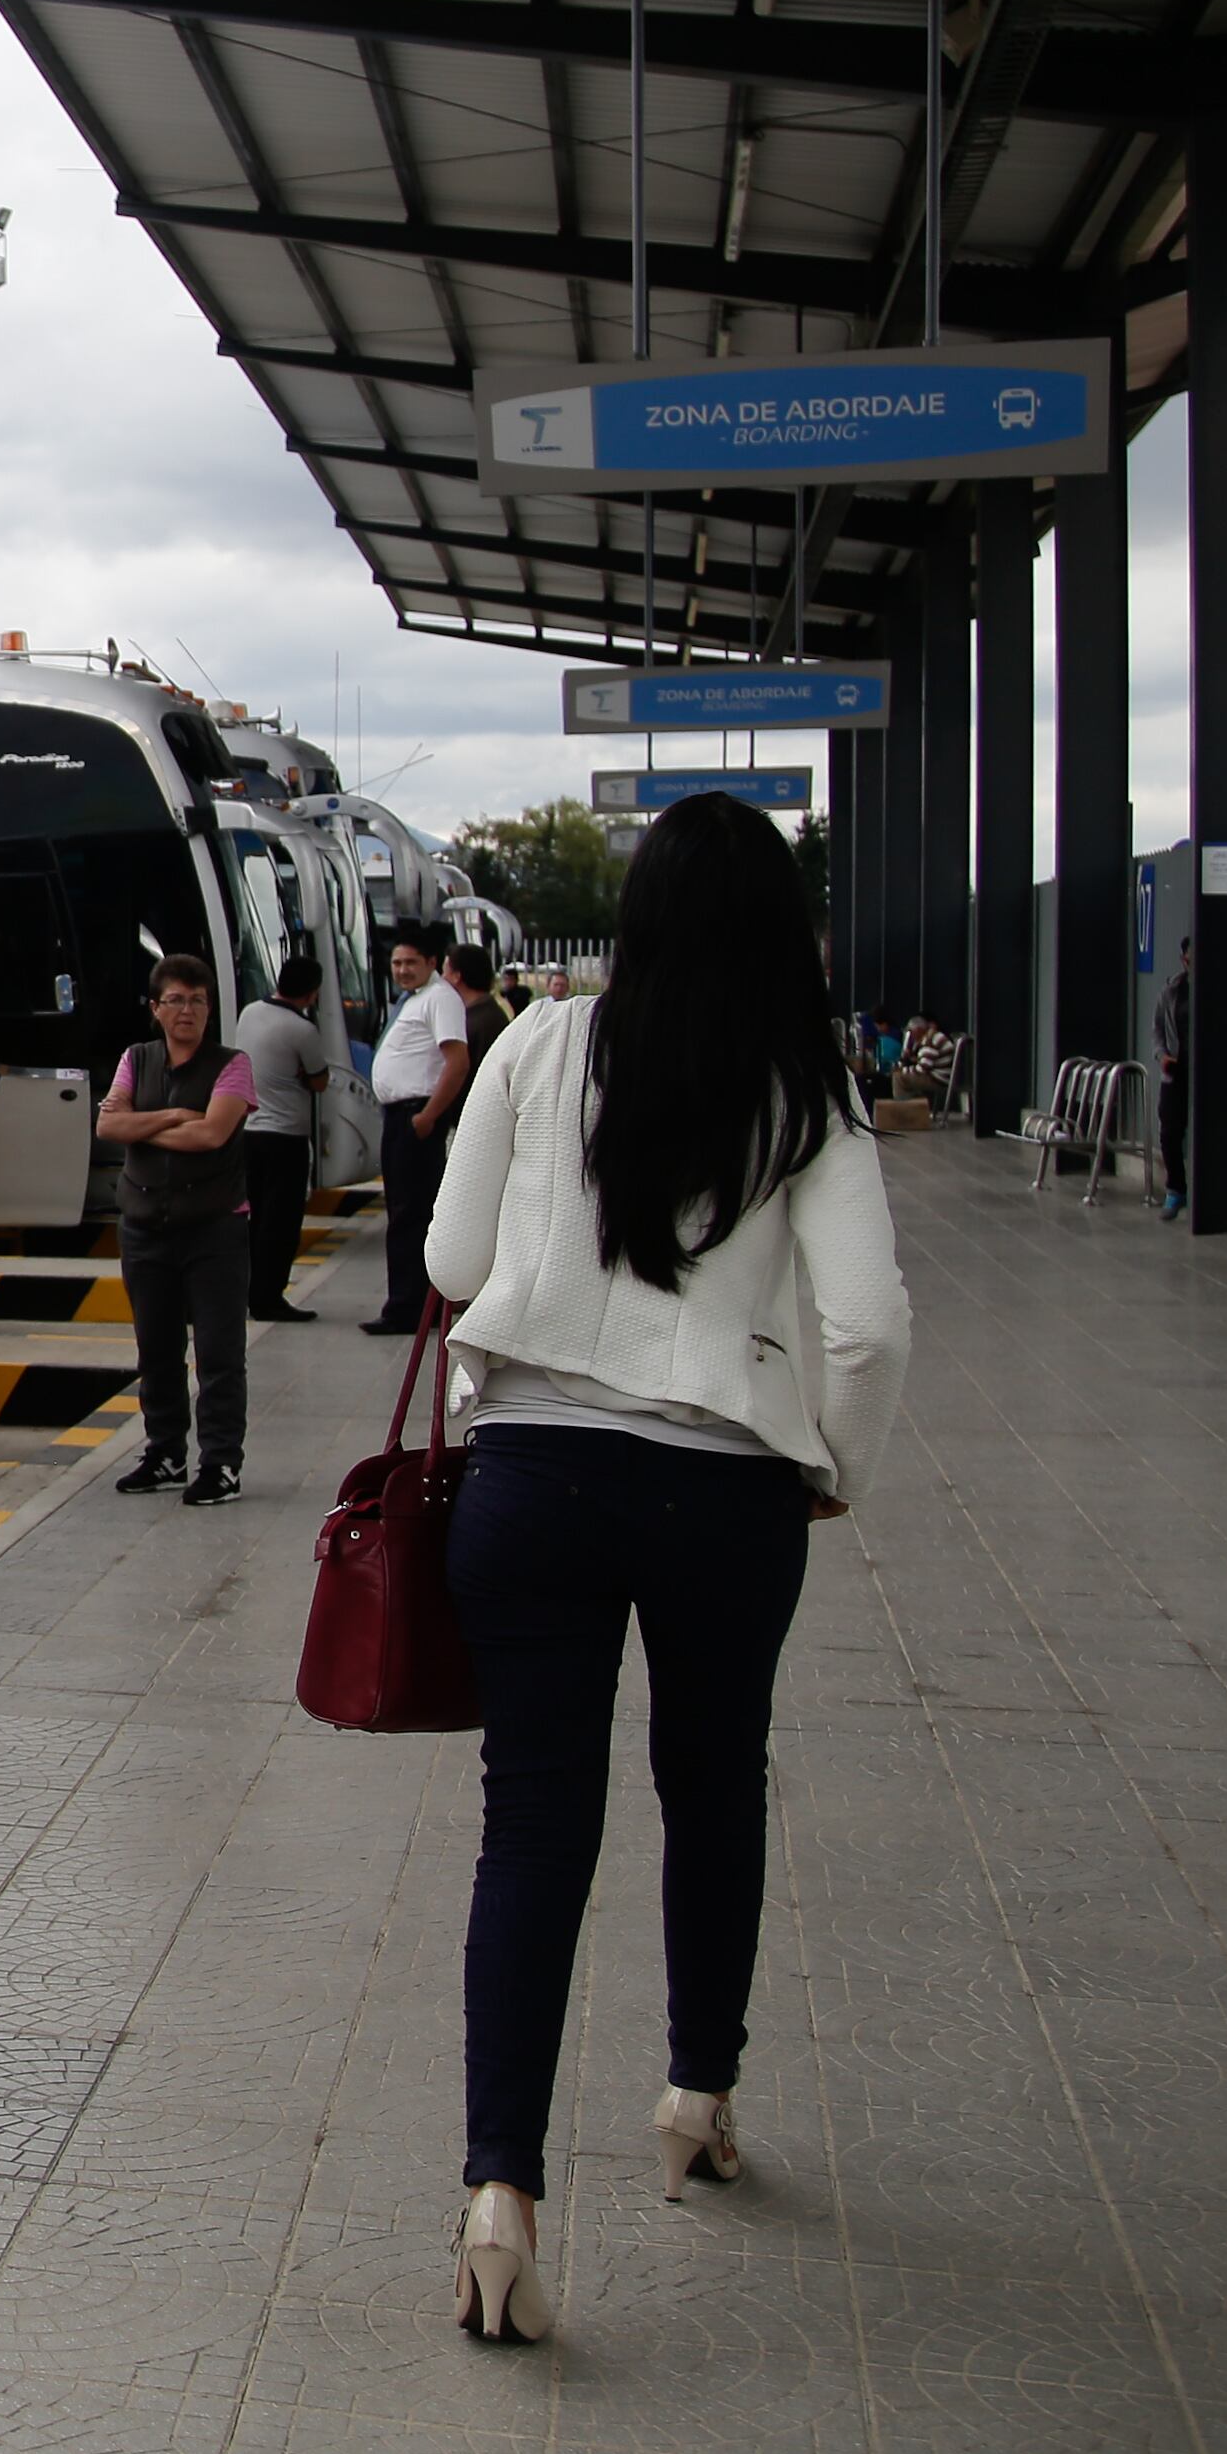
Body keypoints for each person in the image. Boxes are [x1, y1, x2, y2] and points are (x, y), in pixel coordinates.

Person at [423, 792, 906, 2348]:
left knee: (533, 1823)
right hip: (726, 1493)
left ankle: (500, 2193)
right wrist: (830, 1464)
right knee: (714, 1783)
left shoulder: (537, 1044)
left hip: (537, 1479)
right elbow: (870, 1324)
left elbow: (448, 1264)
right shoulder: (806, 1087)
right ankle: (698, 2090)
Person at [99, 954, 257, 1502]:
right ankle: (165, 1452)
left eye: (197, 1000)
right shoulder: (135, 1060)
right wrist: (171, 1117)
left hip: (214, 1231)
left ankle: (220, 1464)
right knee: (157, 1350)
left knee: (218, 1353)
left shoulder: (233, 1065)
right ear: (155, 1009)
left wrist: (139, 1127)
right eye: (175, 1000)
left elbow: (212, 1134)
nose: (186, 1010)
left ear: (209, 1010)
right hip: (144, 1230)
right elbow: (107, 1124)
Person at [363, 931, 474, 1336]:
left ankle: (406, 1309)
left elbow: (457, 1062)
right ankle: (408, 1303)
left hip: (416, 1116)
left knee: (410, 1217)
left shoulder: (439, 998)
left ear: (431, 962)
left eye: (410, 962)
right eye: (396, 963)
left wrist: (428, 1116)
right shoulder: (412, 1000)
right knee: (403, 1213)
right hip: (400, 1116)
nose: (402, 970)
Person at [229, 952, 336, 1322]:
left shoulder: (249, 1012)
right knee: (281, 1222)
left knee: (252, 1218)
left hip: (249, 1132)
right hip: (286, 1138)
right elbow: (320, 1080)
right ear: (312, 993)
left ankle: (245, 1292)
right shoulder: (302, 1029)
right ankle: (268, 1298)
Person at [1151, 959, 1198, 1218]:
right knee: (1169, 1131)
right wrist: (1161, 1055)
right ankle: (1175, 1189)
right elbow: (1157, 1029)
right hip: (1175, 1070)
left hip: (1202, 1072)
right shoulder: (1172, 990)